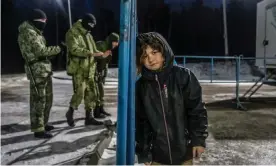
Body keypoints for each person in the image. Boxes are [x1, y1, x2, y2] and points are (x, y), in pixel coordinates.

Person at [135, 32, 208, 165]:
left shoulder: (184, 76)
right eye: (145, 56)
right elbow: (141, 123)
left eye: (154, 52)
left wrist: (198, 140)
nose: (151, 59)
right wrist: (144, 152)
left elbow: (196, 111)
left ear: (164, 52)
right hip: (157, 156)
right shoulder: (141, 86)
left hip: (184, 152)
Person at [18, 9, 63, 138]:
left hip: (43, 69)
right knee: (39, 100)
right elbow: (40, 51)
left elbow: (41, 53)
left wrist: (50, 56)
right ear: (35, 20)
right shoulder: (29, 32)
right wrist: (57, 49)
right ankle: (38, 129)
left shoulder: (36, 32)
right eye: (43, 21)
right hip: (37, 71)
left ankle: (43, 123)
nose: (44, 23)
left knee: (48, 98)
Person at [65, 13, 111, 127]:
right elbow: (74, 49)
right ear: (85, 22)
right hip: (79, 69)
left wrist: (102, 55)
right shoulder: (72, 33)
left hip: (90, 69)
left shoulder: (89, 35)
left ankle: (89, 117)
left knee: (92, 94)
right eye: (91, 24)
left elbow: (94, 50)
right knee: (79, 93)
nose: (92, 27)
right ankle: (70, 112)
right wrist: (91, 53)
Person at [94, 32, 119, 117]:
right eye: (115, 42)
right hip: (95, 72)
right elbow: (93, 56)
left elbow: (106, 63)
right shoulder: (100, 45)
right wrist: (103, 56)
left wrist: (104, 74)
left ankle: (101, 109)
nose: (116, 45)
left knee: (101, 93)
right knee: (97, 93)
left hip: (101, 73)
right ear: (112, 40)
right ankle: (96, 112)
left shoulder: (109, 49)